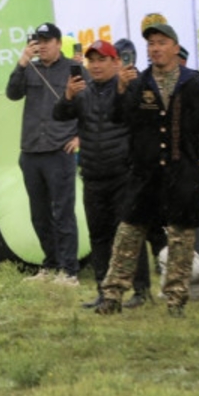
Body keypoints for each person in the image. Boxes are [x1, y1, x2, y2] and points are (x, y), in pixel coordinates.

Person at [96, 16, 199, 316]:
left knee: (181, 238)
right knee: (128, 232)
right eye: (151, 44)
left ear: (175, 48)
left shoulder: (193, 83)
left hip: (183, 174)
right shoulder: (138, 82)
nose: (155, 49)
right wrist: (120, 90)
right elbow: (119, 118)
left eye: (161, 43)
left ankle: (176, 299)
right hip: (145, 175)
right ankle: (112, 294)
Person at [55, 40, 130, 307]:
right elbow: (59, 115)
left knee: (128, 234)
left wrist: (122, 90)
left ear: (116, 62)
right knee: (99, 235)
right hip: (93, 174)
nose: (96, 66)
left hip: (122, 175)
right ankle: (104, 291)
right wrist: (67, 96)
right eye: (92, 61)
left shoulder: (125, 88)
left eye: (102, 60)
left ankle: (140, 291)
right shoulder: (83, 92)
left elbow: (127, 117)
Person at [6, 22, 78, 281]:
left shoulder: (73, 69)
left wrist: (80, 136)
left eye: (47, 41)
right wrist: (22, 62)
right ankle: (51, 264)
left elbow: (92, 104)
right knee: (39, 214)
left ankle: (69, 271)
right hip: (31, 151)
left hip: (59, 151)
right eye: (38, 41)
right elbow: (12, 94)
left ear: (58, 43)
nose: (42, 45)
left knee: (63, 213)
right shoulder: (30, 68)